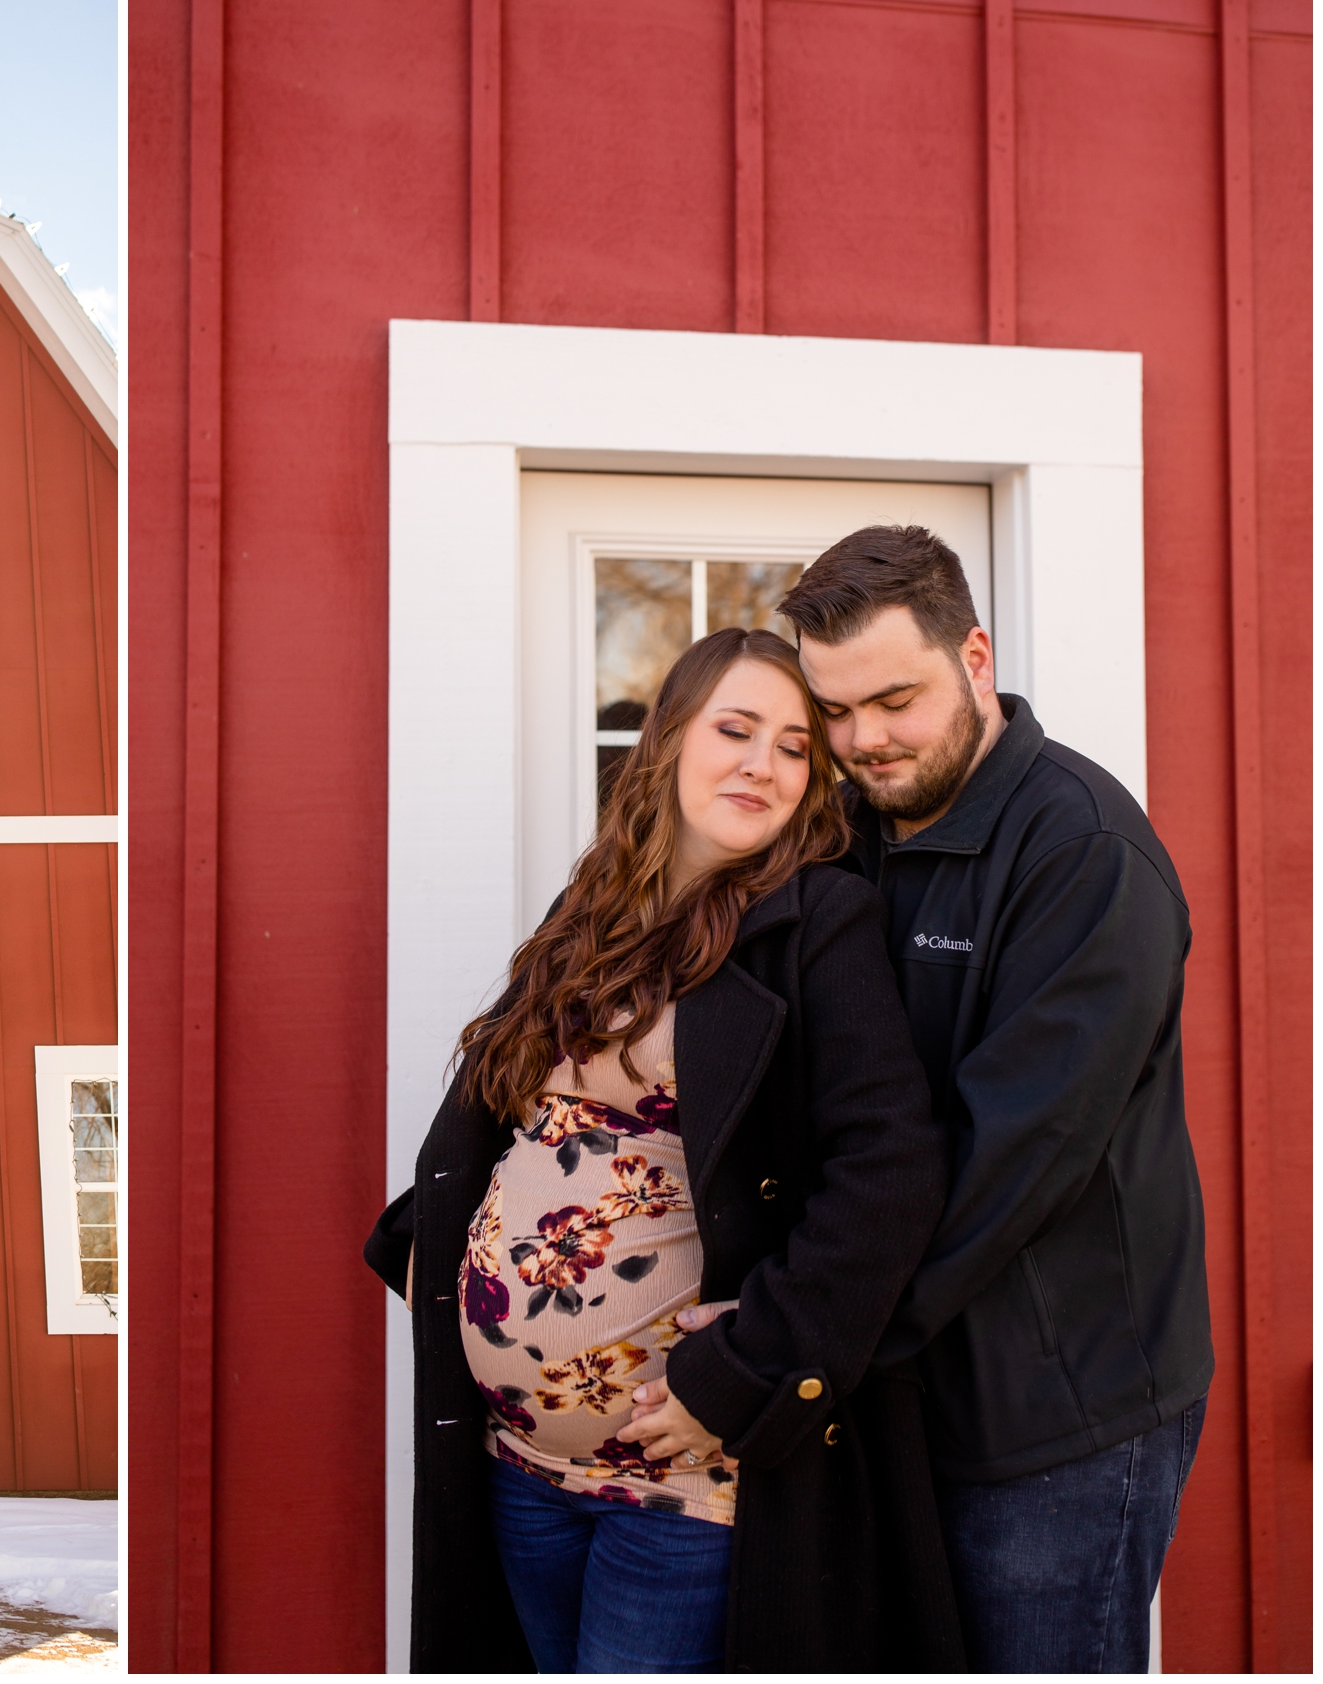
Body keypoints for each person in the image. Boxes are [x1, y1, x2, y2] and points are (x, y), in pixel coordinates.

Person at [367, 625, 964, 1673]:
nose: (761, 764)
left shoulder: (816, 919)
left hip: (681, 1477)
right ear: (672, 737)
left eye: (793, 748)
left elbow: (889, 1174)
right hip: (516, 1463)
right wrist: (428, 1250)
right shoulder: (592, 910)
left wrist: (745, 1369)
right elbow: (496, 1108)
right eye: (736, 729)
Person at [780, 525, 1211, 1674]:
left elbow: (1009, 1158)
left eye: (893, 699)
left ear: (974, 656)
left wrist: (808, 1338)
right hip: (902, 1384)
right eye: (833, 710)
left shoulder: (1083, 851)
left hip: (1056, 1409)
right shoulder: (847, 831)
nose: (861, 738)